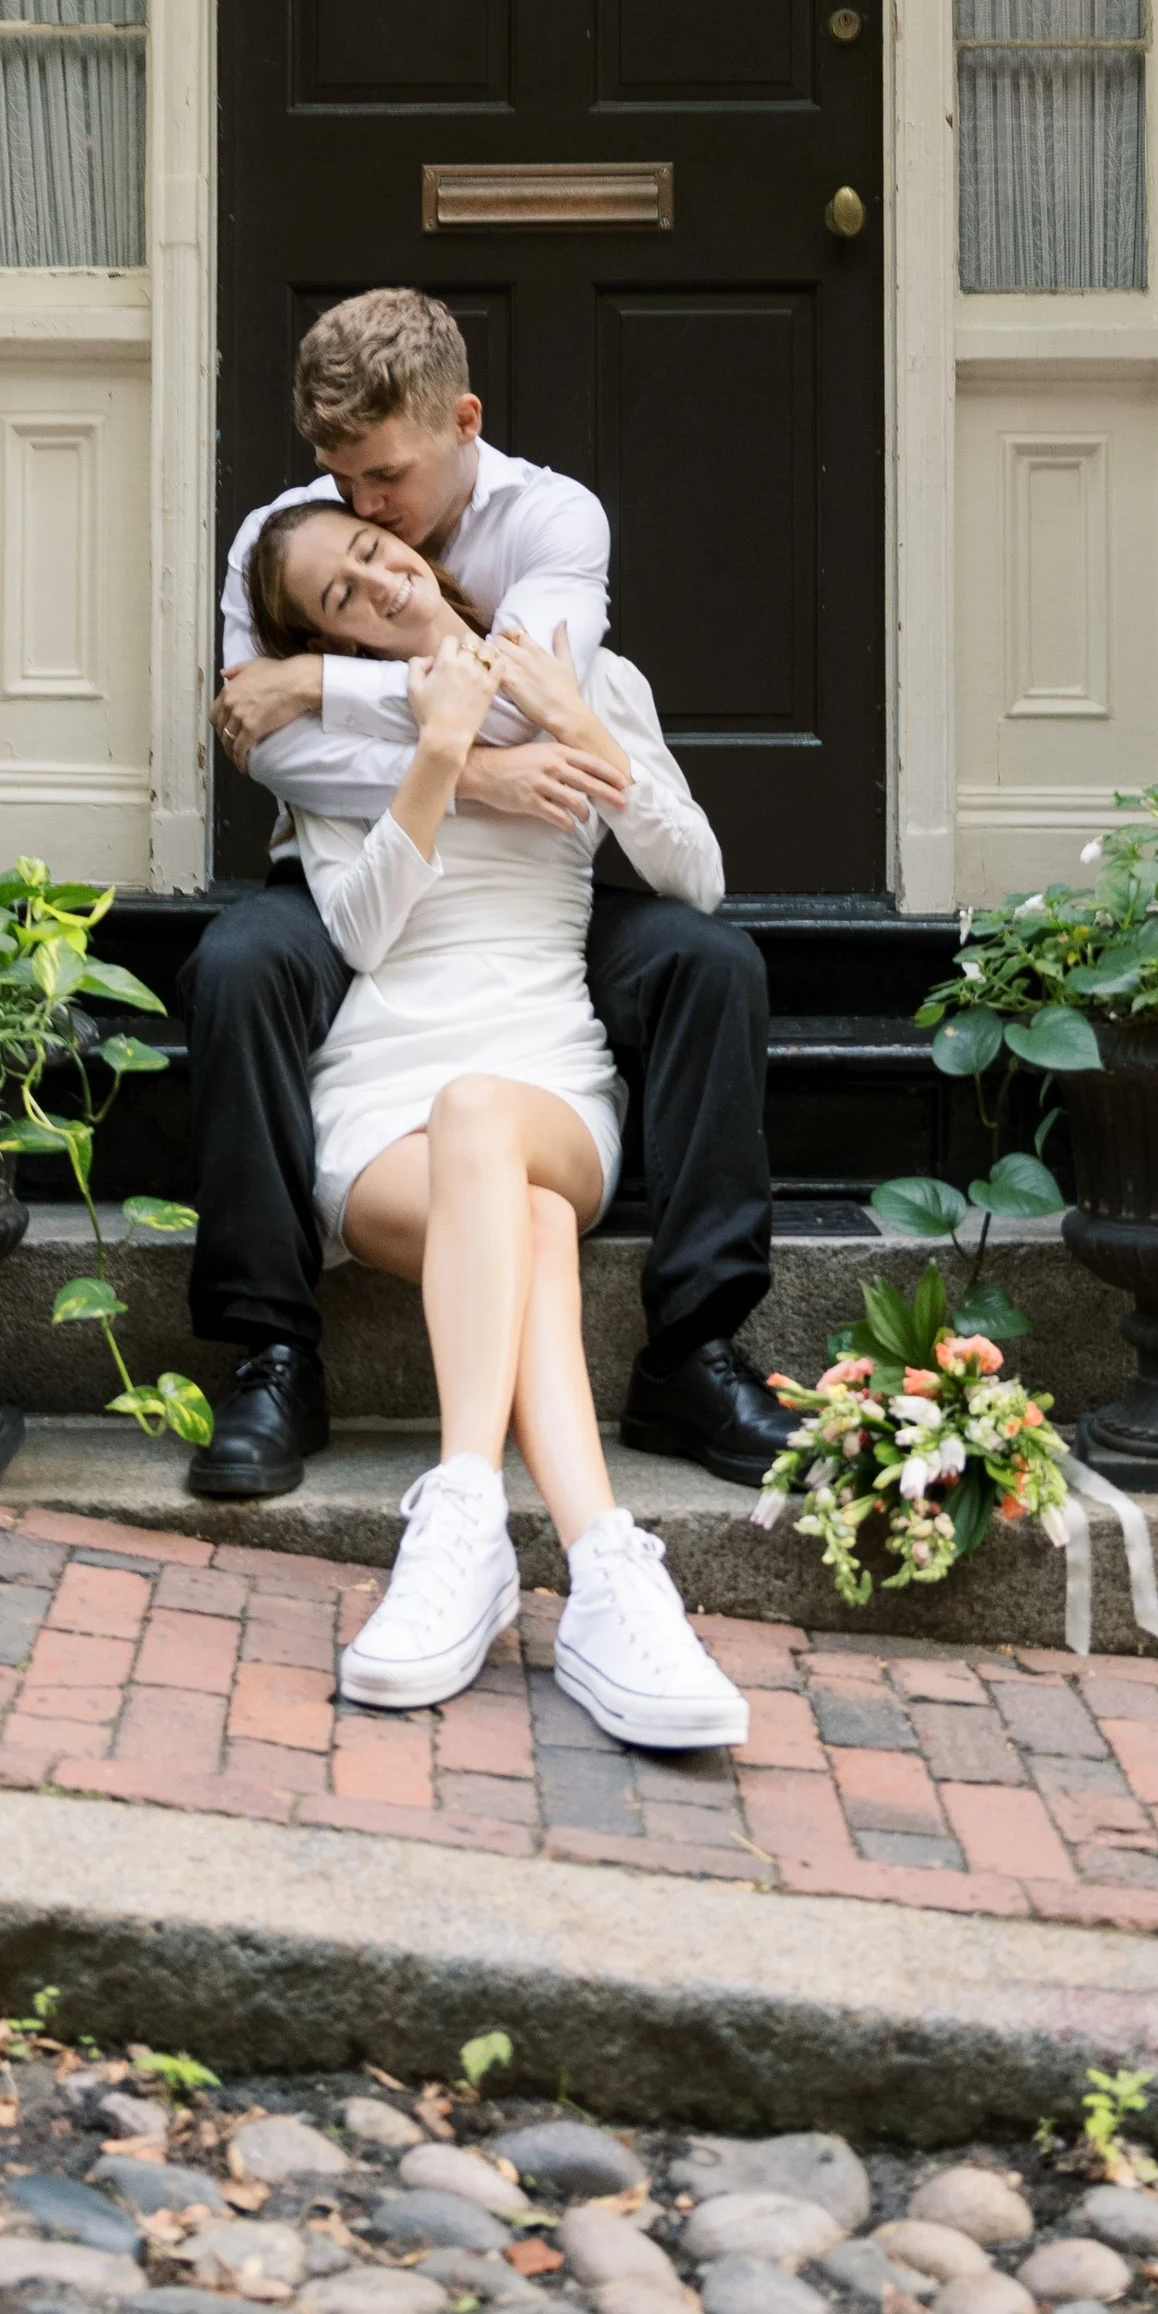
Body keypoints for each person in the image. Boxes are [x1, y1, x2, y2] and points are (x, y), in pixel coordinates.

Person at [181, 288, 796, 1503]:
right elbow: (273, 752)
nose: (361, 513)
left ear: (463, 422)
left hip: (541, 882)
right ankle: (269, 1349)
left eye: (384, 491)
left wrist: (322, 678)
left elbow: (538, 692)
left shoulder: (551, 518)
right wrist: (458, 765)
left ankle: (693, 1348)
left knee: (711, 962)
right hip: (363, 866)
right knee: (238, 964)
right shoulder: (290, 534)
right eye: (338, 478)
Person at [237, 497, 750, 1748]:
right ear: (324, 639)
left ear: (413, 544)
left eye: (372, 554)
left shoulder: (589, 673)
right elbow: (355, 936)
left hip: (548, 1075)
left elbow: (700, 878)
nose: (375, 588)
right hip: (379, 1102)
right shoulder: (341, 742)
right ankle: (604, 1569)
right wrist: (435, 754)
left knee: (489, 1121)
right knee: (519, 1218)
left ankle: (460, 1516)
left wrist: (582, 729)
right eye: (337, 601)